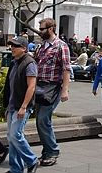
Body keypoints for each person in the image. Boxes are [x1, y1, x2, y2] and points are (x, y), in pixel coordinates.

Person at [33, 18, 70, 167]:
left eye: (42, 29)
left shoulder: (61, 46)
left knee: (43, 119)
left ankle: (53, 151)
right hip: (40, 86)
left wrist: (65, 90)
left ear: (50, 29)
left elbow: (66, 68)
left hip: (53, 87)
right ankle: (47, 152)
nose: (40, 31)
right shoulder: (40, 47)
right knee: (40, 120)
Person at [2, 36, 39, 173]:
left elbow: (31, 87)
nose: (12, 48)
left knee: (15, 135)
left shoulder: (29, 63)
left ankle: (32, 160)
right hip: (12, 106)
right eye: (11, 45)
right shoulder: (14, 62)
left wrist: (24, 106)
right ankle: (16, 168)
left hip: (22, 106)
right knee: (11, 138)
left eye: (16, 46)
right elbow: (11, 87)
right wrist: (8, 106)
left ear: (24, 48)